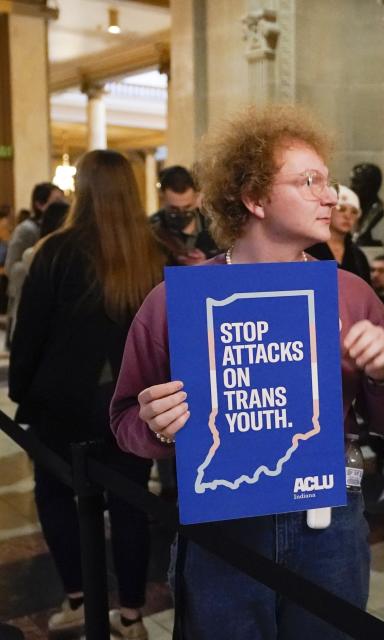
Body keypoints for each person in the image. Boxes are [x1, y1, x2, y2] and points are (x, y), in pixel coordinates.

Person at [109, 105, 384, 639]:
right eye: (309, 181)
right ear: (253, 197)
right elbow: (124, 424)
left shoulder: (350, 293)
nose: (329, 195)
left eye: (329, 180)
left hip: (330, 520)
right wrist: (157, 423)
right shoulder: (176, 302)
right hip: (225, 525)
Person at [9, 151, 165, 639]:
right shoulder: (155, 252)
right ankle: (134, 615)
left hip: (65, 402)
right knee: (132, 505)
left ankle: (78, 598)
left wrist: (21, 395)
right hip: (133, 402)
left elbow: (28, 335)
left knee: (58, 497)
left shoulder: (55, 251)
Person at [5, 182, 64, 343]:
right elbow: (12, 266)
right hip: (27, 300)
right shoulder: (26, 230)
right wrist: (36, 263)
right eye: (56, 200)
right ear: (40, 204)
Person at [149, 165, 219, 266]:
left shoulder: (215, 228)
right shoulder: (150, 231)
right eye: (174, 209)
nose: (181, 214)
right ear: (162, 198)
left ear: (196, 197)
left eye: (187, 207)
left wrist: (206, 263)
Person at [306, 184, 371, 283]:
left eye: (354, 212)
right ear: (327, 210)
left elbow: (366, 293)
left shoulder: (358, 256)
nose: (348, 216)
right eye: (341, 209)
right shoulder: (308, 249)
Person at [351, 162, 384, 246]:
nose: (352, 187)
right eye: (352, 181)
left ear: (371, 185)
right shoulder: (356, 207)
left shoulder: (378, 209)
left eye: (357, 182)